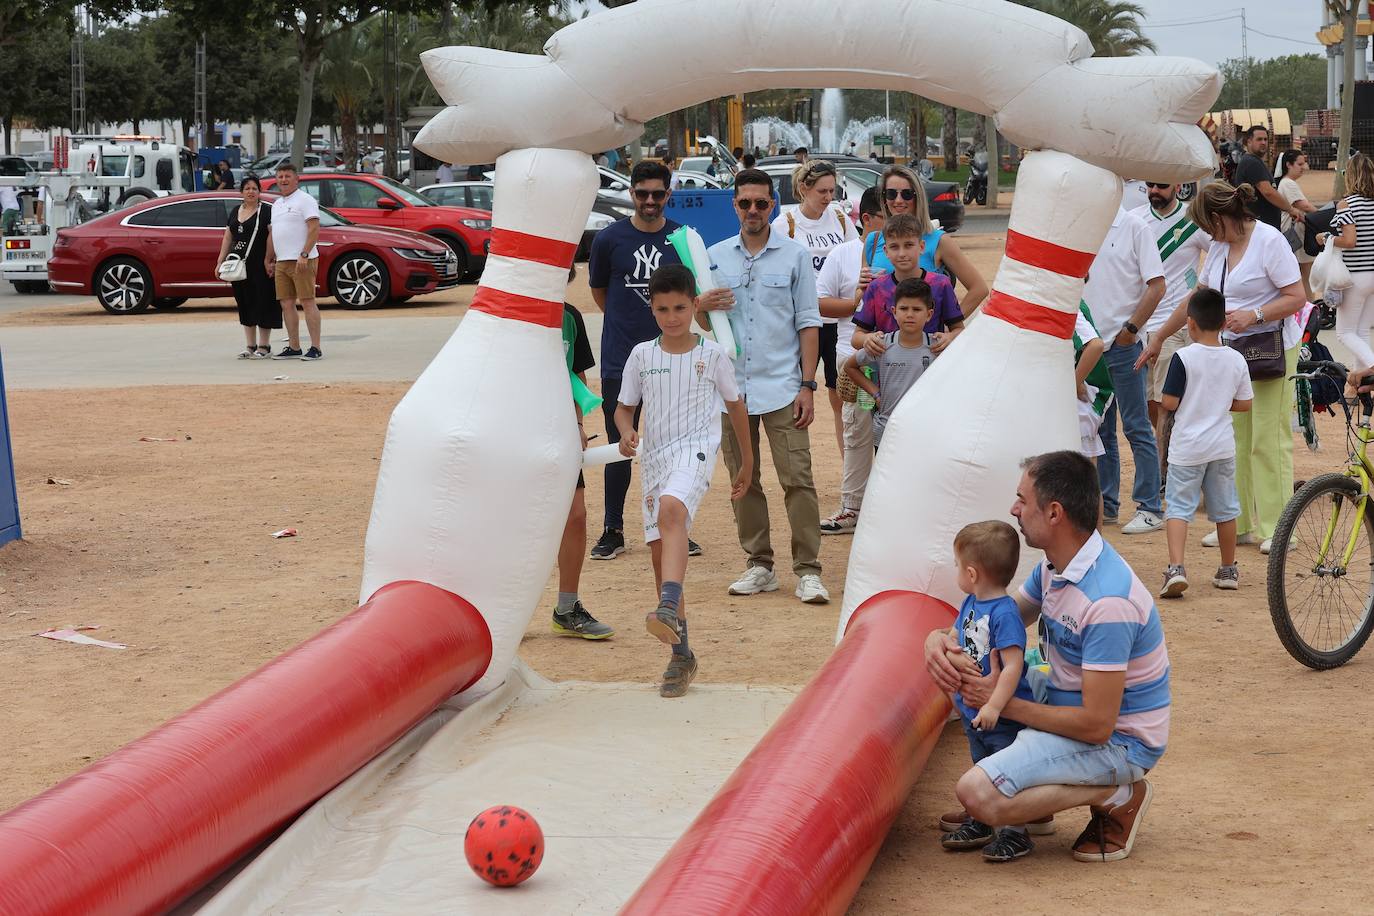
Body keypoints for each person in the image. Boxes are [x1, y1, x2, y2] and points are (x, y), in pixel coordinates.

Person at [926, 450, 1171, 864]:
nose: (1013, 509)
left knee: (977, 794)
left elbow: (1097, 725)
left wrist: (1000, 701)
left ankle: (1121, 793)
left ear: (1054, 513)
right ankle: (1029, 804)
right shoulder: (1055, 567)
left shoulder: (1107, 600)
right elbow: (999, 621)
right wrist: (936, 640)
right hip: (1063, 699)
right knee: (991, 679)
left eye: (1023, 499)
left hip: (1120, 743)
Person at [1140, 181, 1305, 554]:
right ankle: (1240, 521)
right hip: (1232, 355)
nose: (1208, 235)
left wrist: (1256, 314)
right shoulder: (1218, 247)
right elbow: (1197, 299)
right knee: (1234, 439)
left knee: (1268, 440)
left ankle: (1279, 528)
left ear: (1219, 218)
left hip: (1271, 351)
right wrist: (1159, 338)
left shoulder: (1269, 241)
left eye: (1208, 226)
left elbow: (1297, 297)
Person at [616, 264, 752, 697]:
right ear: (652, 309)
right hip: (653, 459)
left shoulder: (711, 354)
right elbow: (624, 408)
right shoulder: (641, 355)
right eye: (662, 309)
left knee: (674, 510)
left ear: (695, 305)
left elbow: (735, 408)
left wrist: (746, 461)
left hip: (694, 452)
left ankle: (669, 604)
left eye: (679, 307)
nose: (672, 316)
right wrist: (625, 431)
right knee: (661, 556)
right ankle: (681, 656)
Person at [696, 168, 830, 604]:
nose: (753, 210)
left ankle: (808, 569)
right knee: (742, 480)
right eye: (744, 203)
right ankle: (759, 564)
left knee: (799, 479)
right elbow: (702, 324)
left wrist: (808, 384)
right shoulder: (714, 257)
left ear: (773, 205)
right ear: (734, 205)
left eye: (761, 203)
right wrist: (701, 305)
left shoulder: (794, 256)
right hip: (731, 390)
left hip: (783, 386)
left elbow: (809, 322)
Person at [587, 160, 698, 561]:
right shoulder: (609, 239)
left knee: (673, 442)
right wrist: (628, 325)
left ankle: (675, 521)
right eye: (642, 194)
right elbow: (600, 292)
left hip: (674, 358)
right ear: (632, 194)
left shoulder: (683, 240)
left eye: (658, 194)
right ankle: (612, 529)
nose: (650, 201)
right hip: (621, 358)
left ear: (669, 194)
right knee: (622, 442)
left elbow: (695, 293)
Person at [937, 520, 1037, 862]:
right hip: (972, 709)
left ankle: (1016, 831)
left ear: (972, 572)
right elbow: (953, 636)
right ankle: (982, 819)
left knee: (1007, 769)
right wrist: (946, 648)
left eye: (956, 566)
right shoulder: (971, 602)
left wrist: (995, 706)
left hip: (1001, 717)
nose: (956, 573)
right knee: (982, 765)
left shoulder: (1005, 613)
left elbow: (1012, 665)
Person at [1158, 288, 1253, 598]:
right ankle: (1228, 569)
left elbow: (1170, 402)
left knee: (1179, 508)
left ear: (1190, 324)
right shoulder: (1236, 359)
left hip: (1187, 447)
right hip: (1222, 445)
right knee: (1226, 509)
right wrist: (1217, 404)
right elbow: (1244, 404)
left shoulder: (1183, 357)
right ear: (1224, 323)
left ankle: (1176, 568)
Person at [1081, 204, 1165, 533]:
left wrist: (1131, 330)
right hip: (1090, 345)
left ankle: (1150, 507)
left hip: (1121, 345)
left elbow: (1157, 285)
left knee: (1136, 426)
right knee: (1098, 429)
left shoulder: (1134, 226)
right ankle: (1108, 505)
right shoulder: (1083, 226)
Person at [773, 159, 859, 463]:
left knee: (841, 397)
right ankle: (796, 464)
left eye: (832, 191)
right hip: (802, 322)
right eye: (822, 191)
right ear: (803, 189)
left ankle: (849, 466)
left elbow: (854, 258)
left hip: (837, 320)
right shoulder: (785, 224)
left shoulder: (839, 218)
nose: (827, 197)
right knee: (797, 395)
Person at [552, 265, 615, 640]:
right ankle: (501, 608)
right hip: (513, 430)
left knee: (575, 515)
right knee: (516, 521)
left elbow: (578, 375)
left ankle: (567, 606)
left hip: (558, 428)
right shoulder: (511, 315)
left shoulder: (569, 317)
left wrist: (577, 424)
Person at [816, 187, 884, 534]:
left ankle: (892, 508)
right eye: (886, 215)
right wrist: (856, 298)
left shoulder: (911, 252)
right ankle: (851, 507)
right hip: (856, 365)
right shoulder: (843, 254)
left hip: (901, 366)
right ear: (868, 220)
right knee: (856, 434)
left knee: (895, 438)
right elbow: (819, 303)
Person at [1133, 181, 1212, 444]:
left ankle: (1190, 451)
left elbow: (1222, 252)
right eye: (1150, 185)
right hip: (1154, 325)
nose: (1155, 191)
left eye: (1162, 186)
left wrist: (1199, 283)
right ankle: (1168, 458)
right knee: (1159, 401)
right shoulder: (1136, 220)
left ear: (1177, 185)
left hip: (1192, 324)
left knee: (1198, 398)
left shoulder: (1194, 219)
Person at [866, 164, 989, 328]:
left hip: (926, 347)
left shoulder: (939, 240)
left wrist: (947, 325)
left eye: (907, 194)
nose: (898, 200)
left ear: (918, 197)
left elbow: (979, 288)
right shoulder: (873, 241)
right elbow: (863, 298)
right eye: (891, 193)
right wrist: (859, 289)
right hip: (885, 346)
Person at [844, 278, 939, 450]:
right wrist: (875, 394)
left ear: (929, 314)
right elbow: (850, 366)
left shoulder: (937, 348)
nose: (910, 314)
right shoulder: (881, 344)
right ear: (894, 312)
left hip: (924, 431)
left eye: (917, 309)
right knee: (885, 477)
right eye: (904, 308)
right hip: (886, 429)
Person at [851, 213, 963, 353]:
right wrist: (867, 339)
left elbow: (959, 329)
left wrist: (950, 337)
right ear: (886, 251)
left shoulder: (940, 284)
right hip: (888, 371)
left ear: (921, 247)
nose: (902, 253)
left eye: (909, 245)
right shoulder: (876, 287)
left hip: (931, 370)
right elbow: (856, 337)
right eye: (894, 247)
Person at [214, 175, 279, 359]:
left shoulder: (267, 211)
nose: (251, 192)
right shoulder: (235, 211)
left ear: (260, 192)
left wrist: (269, 259)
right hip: (238, 265)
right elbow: (228, 237)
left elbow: (272, 236)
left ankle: (264, 346)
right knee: (245, 302)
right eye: (247, 188)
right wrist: (220, 261)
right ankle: (250, 345)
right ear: (241, 192)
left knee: (263, 301)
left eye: (254, 188)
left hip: (260, 263)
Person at [264, 164, 323, 360]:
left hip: (302, 261)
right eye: (280, 176)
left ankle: (315, 347)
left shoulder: (305, 200)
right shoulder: (276, 205)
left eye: (287, 176)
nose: (283, 179)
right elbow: (274, 234)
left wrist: (304, 254)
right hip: (282, 262)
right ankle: (294, 346)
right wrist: (268, 258)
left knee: (307, 301)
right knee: (286, 304)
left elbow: (314, 228)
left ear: (296, 179)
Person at [1327, 153, 1374, 379]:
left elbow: (1349, 241)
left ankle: (1373, 367)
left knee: (1344, 333)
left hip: (1355, 274)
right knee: (1361, 331)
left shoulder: (1347, 204)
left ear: (1350, 176)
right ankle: (1360, 385)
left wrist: (1326, 238)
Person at [1233, 125, 1305, 232]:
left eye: (1265, 139)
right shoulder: (1251, 162)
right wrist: (1290, 209)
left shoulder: (1254, 161)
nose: (1263, 142)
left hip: (1261, 226)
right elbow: (1268, 191)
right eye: (1259, 139)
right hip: (1259, 227)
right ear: (1249, 141)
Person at [1073, 303, 1111, 468]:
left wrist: (1073, 382)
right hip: (1079, 400)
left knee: (1082, 475)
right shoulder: (1067, 300)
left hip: (1083, 401)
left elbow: (1095, 345)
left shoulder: (1068, 304)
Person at [1277, 150, 1318, 300]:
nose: (1303, 167)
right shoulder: (1288, 183)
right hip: (1297, 235)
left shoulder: (1287, 183)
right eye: (1299, 164)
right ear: (1288, 164)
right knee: (1305, 274)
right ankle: (1309, 308)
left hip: (1293, 233)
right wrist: (1323, 215)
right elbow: (1303, 206)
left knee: (1301, 273)